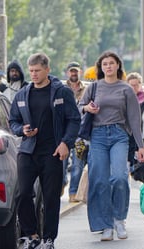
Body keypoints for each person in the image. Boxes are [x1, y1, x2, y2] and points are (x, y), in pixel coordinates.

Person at [9, 52, 81, 249]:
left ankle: (48, 239)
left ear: (47, 70)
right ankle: (31, 235)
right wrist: (21, 130)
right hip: (28, 151)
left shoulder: (61, 92)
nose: (33, 74)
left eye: (37, 71)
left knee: (50, 197)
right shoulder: (23, 93)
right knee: (22, 194)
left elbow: (74, 119)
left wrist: (66, 142)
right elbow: (13, 120)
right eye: (31, 71)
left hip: (53, 152)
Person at [79, 51, 144, 242]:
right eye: (104, 64)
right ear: (101, 68)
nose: (108, 66)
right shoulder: (93, 87)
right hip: (98, 136)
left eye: (111, 63)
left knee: (119, 177)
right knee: (99, 180)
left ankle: (119, 219)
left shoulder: (126, 89)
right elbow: (79, 107)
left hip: (119, 135)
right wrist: (87, 108)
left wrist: (140, 146)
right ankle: (106, 225)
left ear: (118, 65)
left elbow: (135, 119)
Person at [63, 61, 86, 203]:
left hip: (80, 133)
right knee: (62, 164)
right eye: (71, 71)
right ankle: (62, 182)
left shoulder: (86, 90)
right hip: (64, 133)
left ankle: (73, 193)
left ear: (80, 72)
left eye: (76, 71)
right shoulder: (62, 89)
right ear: (67, 73)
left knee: (78, 165)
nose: (73, 74)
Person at [126, 72, 144, 175]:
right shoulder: (123, 100)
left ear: (140, 85)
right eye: (131, 85)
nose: (134, 87)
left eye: (136, 85)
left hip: (141, 137)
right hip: (126, 137)